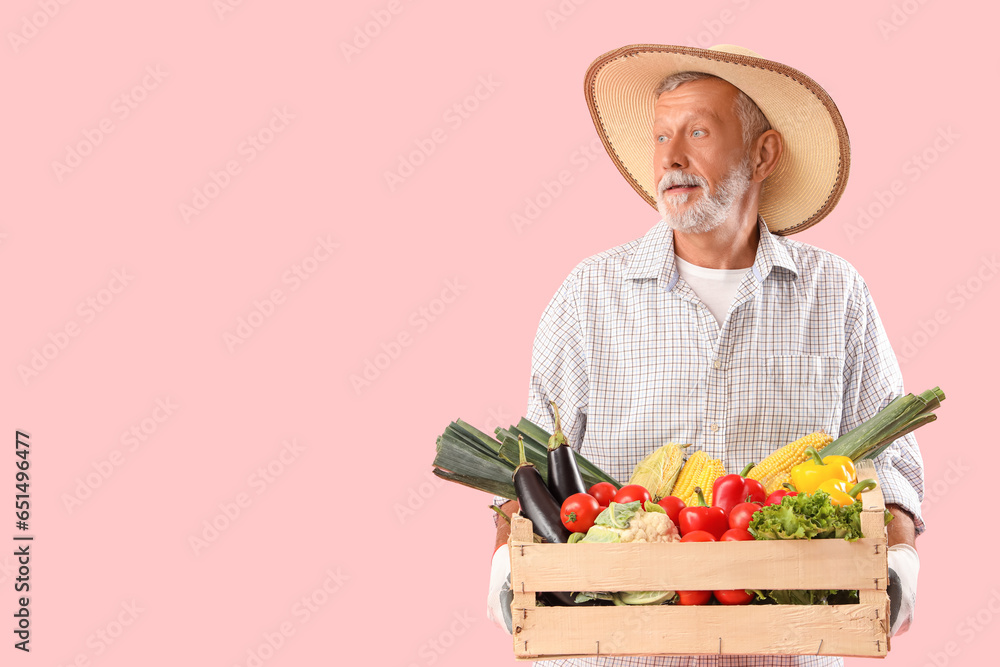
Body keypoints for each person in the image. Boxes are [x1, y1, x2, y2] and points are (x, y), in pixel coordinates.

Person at [485, 44, 923, 667]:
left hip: (787, 651)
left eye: (696, 131)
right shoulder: (588, 295)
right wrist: (510, 568)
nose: (671, 158)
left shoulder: (837, 295)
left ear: (763, 153)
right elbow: (531, 470)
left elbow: (894, 464)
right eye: (661, 135)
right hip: (620, 655)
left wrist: (898, 565)